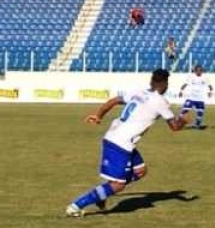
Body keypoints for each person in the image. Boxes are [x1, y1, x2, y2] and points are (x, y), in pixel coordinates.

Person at [66, 69, 186, 217]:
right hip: (119, 143)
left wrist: (98, 116)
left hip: (121, 140)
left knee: (140, 171)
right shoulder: (160, 102)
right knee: (118, 185)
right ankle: (76, 206)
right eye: (167, 83)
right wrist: (183, 120)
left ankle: (102, 193)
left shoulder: (138, 92)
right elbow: (175, 127)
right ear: (164, 84)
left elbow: (113, 101)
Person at [178, 65, 214, 130]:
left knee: (200, 113)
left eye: (200, 70)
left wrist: (210, 92)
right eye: (197, 70)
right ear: (195, 71)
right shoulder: (191, 77)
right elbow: (185, 84)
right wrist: (181, 91)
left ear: (202, 71)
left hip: (200, 99)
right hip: (191, 98)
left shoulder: (205, 77)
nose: (199, 72)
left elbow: (210, 86)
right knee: (185, 110)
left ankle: (197, 125)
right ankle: (178, 123)